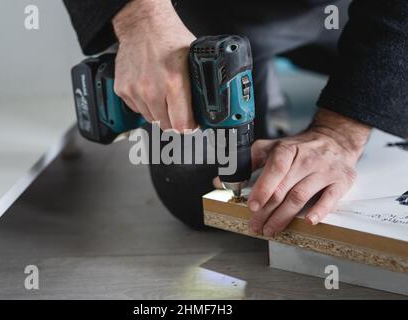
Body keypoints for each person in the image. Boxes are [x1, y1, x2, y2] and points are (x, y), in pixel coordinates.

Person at [63, 0, 408, 235]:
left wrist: (340, 132)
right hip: (211, 10)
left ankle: (272, 96)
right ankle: (262, 94)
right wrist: (141, 20)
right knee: (196, 194)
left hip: (352, 12)